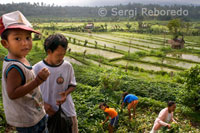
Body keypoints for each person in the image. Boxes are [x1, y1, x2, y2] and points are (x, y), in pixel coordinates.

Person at [0, 11, 50, 132]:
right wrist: (39, 80)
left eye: (28, 37)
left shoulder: (20, 57)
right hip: (28, 121)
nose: (25, 43)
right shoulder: (14, 68)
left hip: (33, 113)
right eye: (17, 38)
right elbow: (13, 93)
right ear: (5, 43)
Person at [33, 34, 78, 133]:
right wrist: (43, 104)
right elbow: (29, 93)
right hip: (45, 113)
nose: (62, 57)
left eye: (64, 54)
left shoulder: (67, 66)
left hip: (67, 111)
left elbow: (72, 84)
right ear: (49, 51)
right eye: (59, 55)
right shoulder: (36, 68)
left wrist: (66, 93)